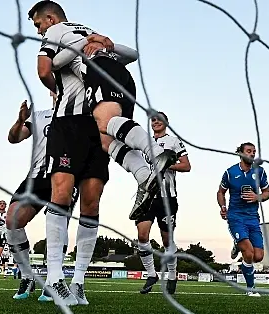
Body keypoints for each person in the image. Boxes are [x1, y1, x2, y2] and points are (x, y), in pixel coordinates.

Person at [27, 0, 177, 222]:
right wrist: (106, 43)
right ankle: (144, 176)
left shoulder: (57, 30)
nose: (39, 31)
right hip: (125, 79)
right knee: (106, 139)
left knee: (104, 122)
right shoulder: (88, 30)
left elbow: (48, 67)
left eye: (39, 24)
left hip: (99, 72)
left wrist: (86, 43)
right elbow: (133, 55)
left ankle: (155, 153)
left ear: (50, 19)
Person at [5, 96, 80, 302]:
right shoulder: (38, 116)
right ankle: (27, 275)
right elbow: (14, 138)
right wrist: (20, 120)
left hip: (66, 176)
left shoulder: (81, 115)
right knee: (12, 219)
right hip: (36, 177)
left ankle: (53, 280)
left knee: (57, 225)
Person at [137, 112, 191, 295]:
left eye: (159, 119)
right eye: (153, 119)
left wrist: (166, 165)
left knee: (167, 240)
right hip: (147, 196)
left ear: (166, 122)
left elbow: (187, 166)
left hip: (168, 197)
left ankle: (173, 274)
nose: (156, 122)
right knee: (142, 236)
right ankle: (151, 274)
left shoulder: (174, 142)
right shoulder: (145, 143)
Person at [216, 142, 269, 297]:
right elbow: (220, 192)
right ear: (240, 153)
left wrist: (257, 197)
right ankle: (251, 288)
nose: (252, 154)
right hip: (236, 217)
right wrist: (223, 207)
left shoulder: (260, 172)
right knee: (248, 251)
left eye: (254, 151)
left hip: (253, 218)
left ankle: (237, 244)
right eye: (248, 151)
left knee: (258, 256)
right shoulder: (230, 172)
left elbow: (267, 192)